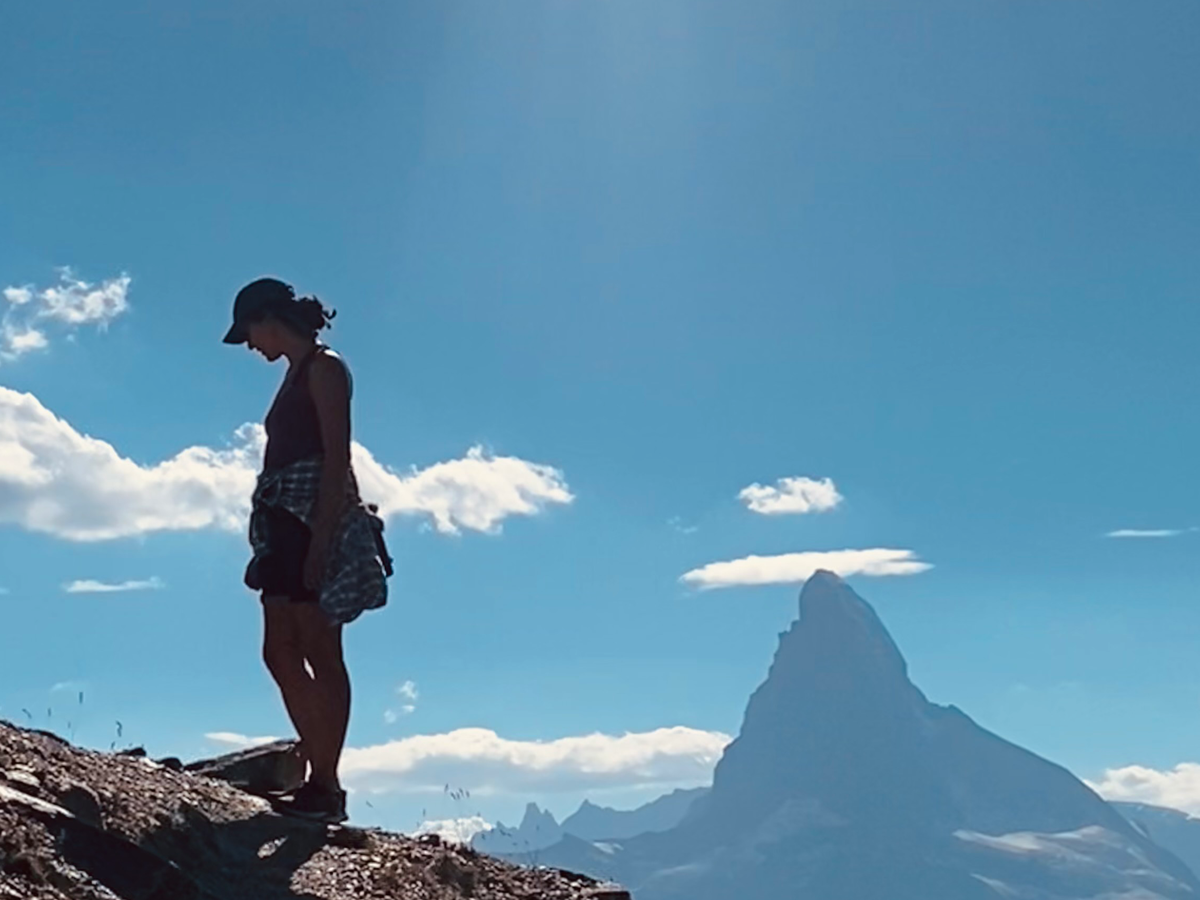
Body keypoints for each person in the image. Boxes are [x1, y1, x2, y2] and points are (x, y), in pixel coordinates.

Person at [222, 277, 391, 823]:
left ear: (268, 320)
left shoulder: (324, 368)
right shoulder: (299, 370)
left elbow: (337, 456)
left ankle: (325, 784)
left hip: (311, 520)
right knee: (281, 649)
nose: (250, 345)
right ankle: (320, 775)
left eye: (249, 332)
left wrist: (322, 540)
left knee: (318, 647)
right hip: (284, 522)